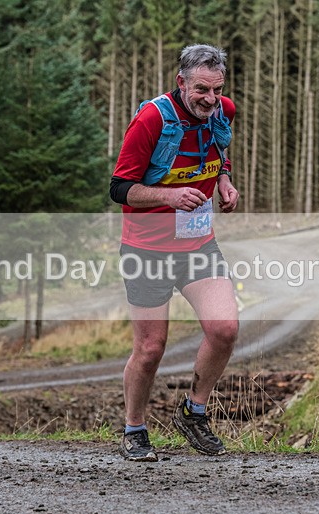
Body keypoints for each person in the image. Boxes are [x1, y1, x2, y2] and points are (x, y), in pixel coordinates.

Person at [109, 44, 239, 461]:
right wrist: (168, 196)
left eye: (216, 90)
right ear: (181, 81)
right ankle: (134, 428)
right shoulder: (152, 119)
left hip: (198, 244)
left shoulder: (222, 109)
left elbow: (218, 151)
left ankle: (194, 411)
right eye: (200, 89)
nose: (209, 99)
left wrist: (223, 184)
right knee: (150, 349)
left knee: (224, 330)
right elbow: (119, 188)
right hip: (146, 249)